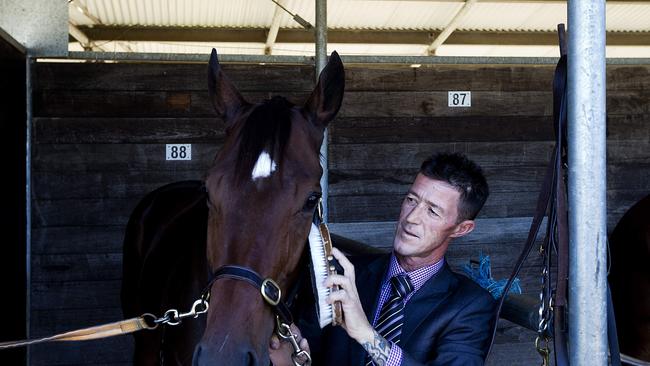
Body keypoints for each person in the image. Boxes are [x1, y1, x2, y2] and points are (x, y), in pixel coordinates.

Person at [270, 152, 496, 366]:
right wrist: (293, 358)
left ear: (461, 228)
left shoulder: (470, 305)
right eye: (411, 200)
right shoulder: (345, 276)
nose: (412, 218)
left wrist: (366, 334)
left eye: (432, 211)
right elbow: (309, 354)